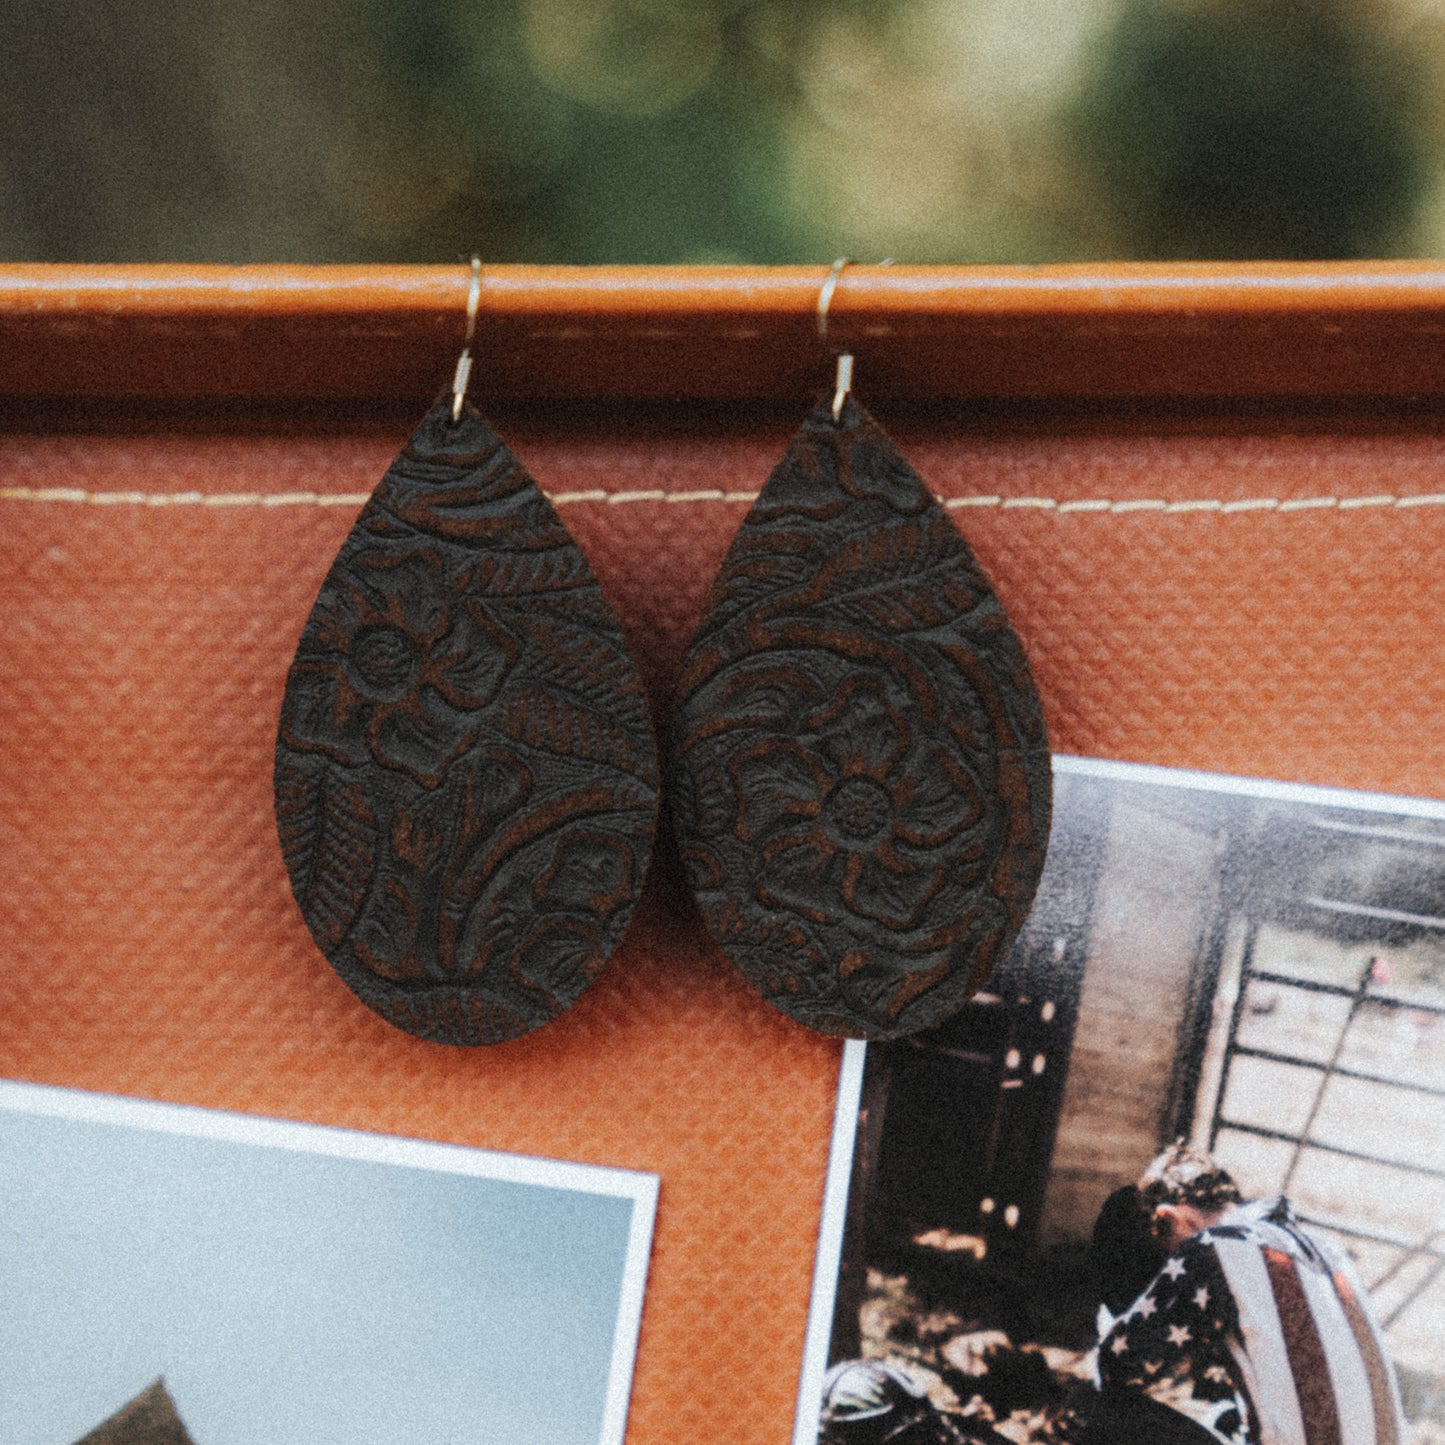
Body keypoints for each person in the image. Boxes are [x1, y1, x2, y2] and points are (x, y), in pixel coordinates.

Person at [1086, 1143, 1407, 1444]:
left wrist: (1110, 1327)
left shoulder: (1211, 1248)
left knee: (1104, 1407)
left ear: (1172, 1217)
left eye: (1165, 1258)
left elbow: (1116, 1366)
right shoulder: (1325, 1248)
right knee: (1225, 1416)